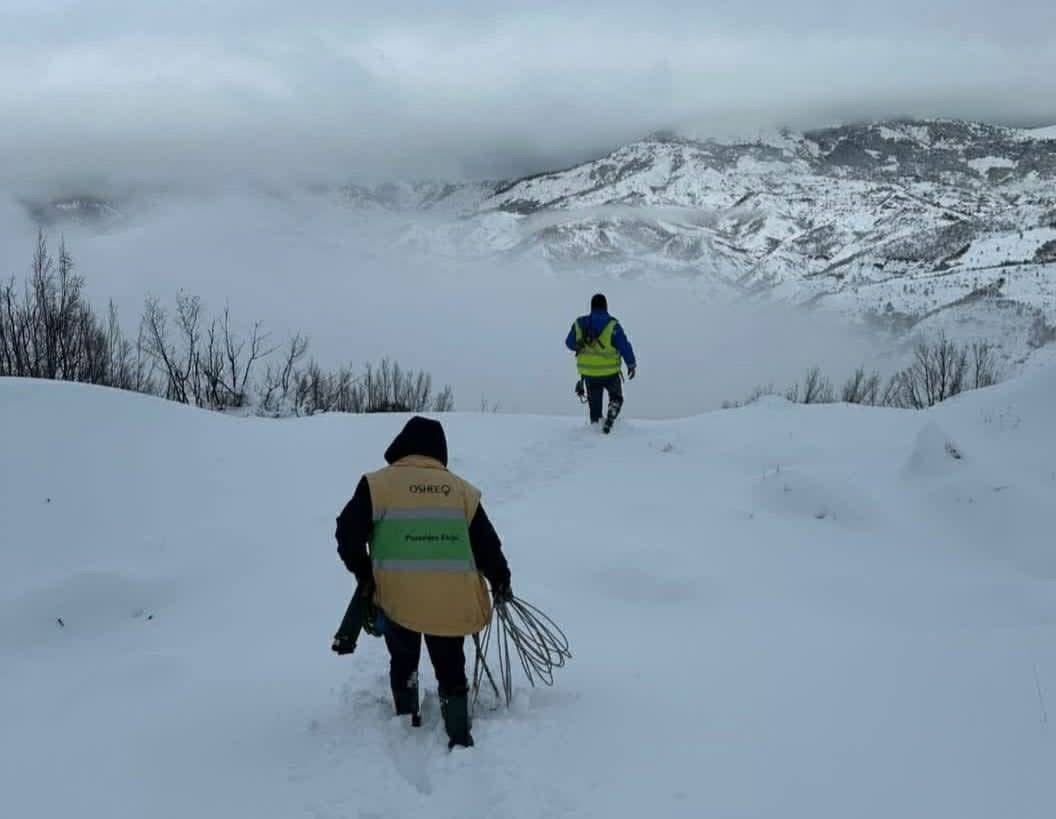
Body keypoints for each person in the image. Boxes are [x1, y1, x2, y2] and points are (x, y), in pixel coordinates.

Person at [335, 416, 512, 749]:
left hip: (397, 596)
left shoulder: (378, 484)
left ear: (402, 445)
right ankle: (458, 733)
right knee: (450, 664)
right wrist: (501, 580)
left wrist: (365, 573)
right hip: (452, 598)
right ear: (439, 451)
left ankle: (406, 721)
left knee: (403, 658)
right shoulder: (461, 490)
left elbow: (347, 533)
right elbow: (487, 544)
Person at [565, 293, 637, 431]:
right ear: (606, 306)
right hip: (610, 372)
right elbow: (624, 346)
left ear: (591, 307)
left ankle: (596, 426)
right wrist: (631, 364)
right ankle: (613, 406)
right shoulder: (612, 325)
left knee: (595, 409)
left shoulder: (580, 323)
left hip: (589, 374)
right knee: (616, 396)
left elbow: (569, 343)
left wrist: (579, 345)